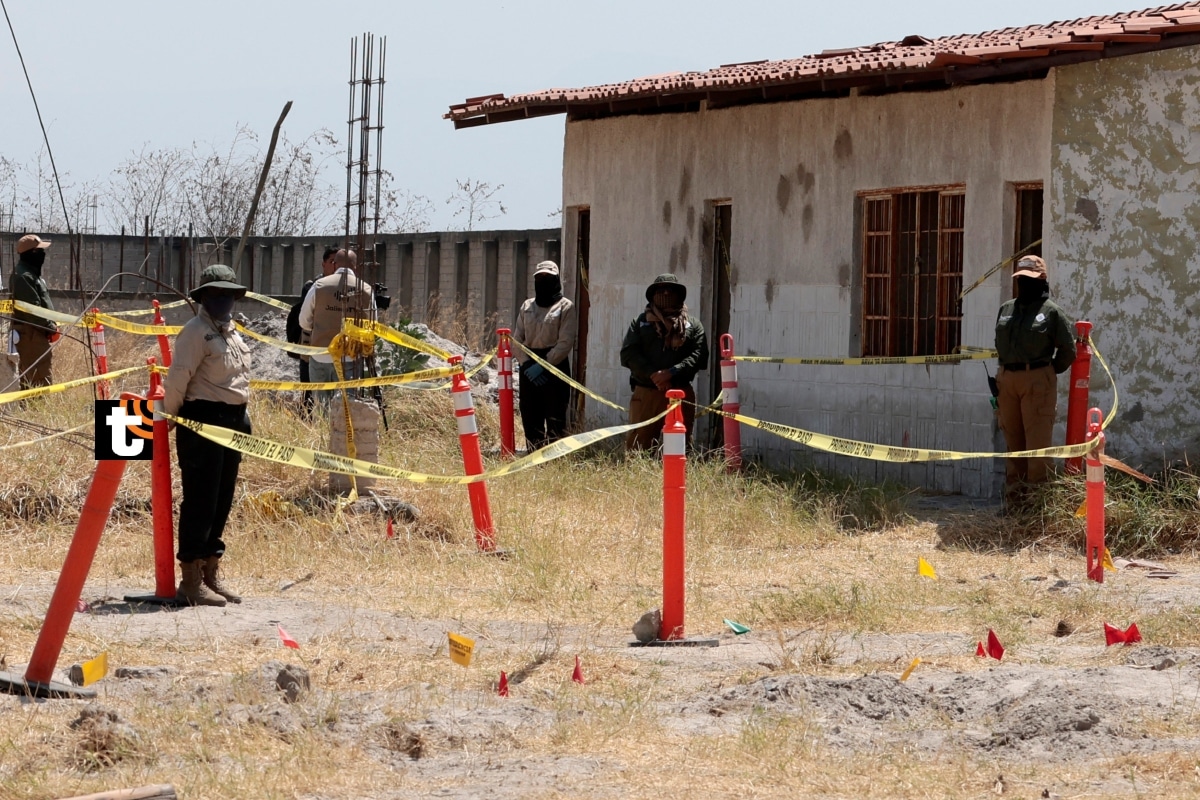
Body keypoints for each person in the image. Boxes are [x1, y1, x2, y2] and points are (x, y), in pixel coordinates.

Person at [163, 264, 252, 607]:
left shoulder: (232, 332)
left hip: (234, 421)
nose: (223, 300)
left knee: (222, 499)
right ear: (203, 297)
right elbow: (178, 378)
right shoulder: (195, 331)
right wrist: (168, 416)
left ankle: (211, 572)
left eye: (228, 294)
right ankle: (190, 580)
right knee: (200, 499)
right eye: (216, 294)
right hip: (202, 420)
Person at [994, 255, 1075, 505]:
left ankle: (1038, 507)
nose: (1024, 284)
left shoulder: (1051, 312)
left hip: (1037, 381)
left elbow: (1068, 350)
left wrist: (1045, 374)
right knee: (1013, 446)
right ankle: (1015, 504)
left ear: (1042, 279)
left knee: (1038, 449)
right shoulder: (1007, 309)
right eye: (1020, 279)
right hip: (1008, 382)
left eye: (1029, 279)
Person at [620, 273, 708, 451]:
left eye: (671, 290)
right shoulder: (640, 322)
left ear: (679, 294)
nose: (666, 294)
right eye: (661, 290)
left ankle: (676, 479)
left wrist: (672, 372)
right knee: (639, 448)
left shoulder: (693, 325)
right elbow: (629, 354)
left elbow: (699, 355)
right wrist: (654, 375)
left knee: (679, 449)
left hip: (679, 393)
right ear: (652, 295)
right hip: (647, 393)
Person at [297, 248, 375, 407]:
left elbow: (303, 321)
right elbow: (373, 327)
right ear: (356, 266)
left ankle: (322, 432)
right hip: (350, 358)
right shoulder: (366, 289)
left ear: (334, 264)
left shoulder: (319, 286)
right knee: (346, 408)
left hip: (320, 355)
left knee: (321, 408)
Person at [513, 260, 577, 450]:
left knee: (555, 416)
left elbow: (565, 342)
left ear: (556, 279)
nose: (543, 281)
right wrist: (525, 364)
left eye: (547, 277)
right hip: (529, 368)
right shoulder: (527, 306)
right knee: (530, 416)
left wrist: (544, 366)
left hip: (554, 366)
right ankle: (534, 457)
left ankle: (554, 460)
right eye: (539, 277)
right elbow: (516, 339)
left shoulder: (566, 307)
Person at [286, 246, 338, 414]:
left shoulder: (346, 289)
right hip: (311, 353)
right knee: (309, 396)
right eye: (332, 262)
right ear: (323, 264)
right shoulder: (314, 288)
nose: (336, 267)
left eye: (339, 262)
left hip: (338, 353)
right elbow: (305, 320)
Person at [8, 234, 59, 389]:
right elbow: (32, 309)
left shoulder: (31, 275)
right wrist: (50, 327)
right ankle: (35, 410)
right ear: (32, 254)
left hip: (36, 332)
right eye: (40, 251)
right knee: (38, 378)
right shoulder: (23, 276)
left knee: (35, 375)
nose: (43, 254)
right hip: (30, 335)